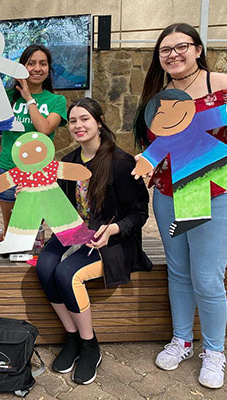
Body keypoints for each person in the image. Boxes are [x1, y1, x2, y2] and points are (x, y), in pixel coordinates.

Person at [133, 23, 227, 389]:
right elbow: (158, 147)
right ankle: (182, 340)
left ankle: (214, 351)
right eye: (165, 50)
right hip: (167, 195)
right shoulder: (159, 97)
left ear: (198, 49)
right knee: (178, 271)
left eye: (181, 47)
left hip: (217, 195)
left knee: (207, 277)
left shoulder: (225, 85)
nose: (173, 54)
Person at [36, 98, 152, 385]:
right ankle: (72, 337)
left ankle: (90, 344)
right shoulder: (69, 162)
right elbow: (64, 207)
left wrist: (112, 230)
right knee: (45, 266)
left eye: (85, 119)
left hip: (112, 239)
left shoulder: (122, 163)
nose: (78, 125)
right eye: (73, 121)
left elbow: (139, 213)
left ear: (99, 122)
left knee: (67, 274)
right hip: (75, 231)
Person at [0, 44, 67, 234]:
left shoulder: (57, 101)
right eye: (31, 63)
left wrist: (29, 98)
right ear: (22, 67)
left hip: (39, 170)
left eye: (43, 63)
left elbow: (44, 129)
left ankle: (32, 260)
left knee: (33, 230)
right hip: (9, 167)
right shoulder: (8, 97)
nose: (37, 68)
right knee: (10, 229)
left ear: (49, 69)